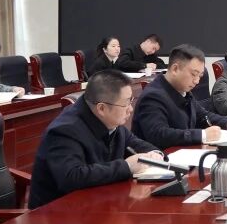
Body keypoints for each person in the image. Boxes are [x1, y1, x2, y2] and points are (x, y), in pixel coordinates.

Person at [27, 70, 163, 209]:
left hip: (98, 202)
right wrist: (127, 166)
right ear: (102, 108)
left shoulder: (109, 121)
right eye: (125, 104)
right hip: (57, 213)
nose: (130, 109)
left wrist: (155, 154)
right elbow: (72, 177)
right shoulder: (64, 130)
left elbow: (134, 143)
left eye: (131, 101)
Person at [132, 44, 227, 149]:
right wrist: (202, 135)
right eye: (193, 74)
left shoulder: (182, 90)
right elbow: (159, 135)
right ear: (175, 69)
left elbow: (202, 115)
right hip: (160, 158)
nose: (197, 81)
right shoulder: (153, 96)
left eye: (200, 76)